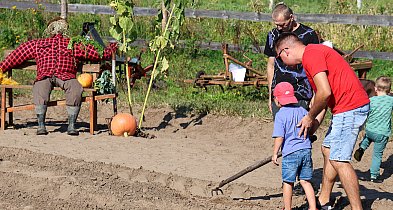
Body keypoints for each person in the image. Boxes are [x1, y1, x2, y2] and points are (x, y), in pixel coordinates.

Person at [275, 32, 370, 210]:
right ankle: (324, 200)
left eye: (280, 58)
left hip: (350, 107)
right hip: (345, 108)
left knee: (339, 160)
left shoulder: (312, 55)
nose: (282, 63)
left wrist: (309, 117)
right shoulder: (312, 56)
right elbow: (322, 100)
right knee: (327, 149)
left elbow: (324, 92)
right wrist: (312, 126)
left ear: (285, 51)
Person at [0, 17, 117, 136]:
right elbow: (18, 55)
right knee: (40, 88)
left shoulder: (72, 44)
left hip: (66, 76)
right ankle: (41, 125)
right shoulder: (39, 44)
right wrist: (2, 68)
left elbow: (95, 53)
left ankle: (71, 125)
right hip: (45, 76)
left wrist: (109, 51)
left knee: (75, 88)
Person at [264, 2, 320, 120]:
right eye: (276, 25)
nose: (279, 28)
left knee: (300, 132)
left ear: (291, 18)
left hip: (301, 93)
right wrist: (270, 94)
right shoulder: (273, 35)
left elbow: (316, 66)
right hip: (279, 93)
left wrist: (315, 94)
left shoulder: (308, 35)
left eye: (282, 25)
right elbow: (271, 65)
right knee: (281, 131)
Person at [271, 82, 320, 210]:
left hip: (290, 153)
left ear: (277, 100)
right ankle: (313, 207)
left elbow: (279, 137)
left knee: (288, 182)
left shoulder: (280, 115)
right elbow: (311, 124)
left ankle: (287, 208)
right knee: (305, 181)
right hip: (305, 150)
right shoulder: (303, 111)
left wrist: (275, 153)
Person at [354, 76, 393, 183]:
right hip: (382, 133)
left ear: (375, 88)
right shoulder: (391, 101)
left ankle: (362, 147)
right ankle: (374, 175)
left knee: (368, 137)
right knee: (377, 155)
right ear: (389, 90)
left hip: (370, 130)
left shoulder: (370, 100)